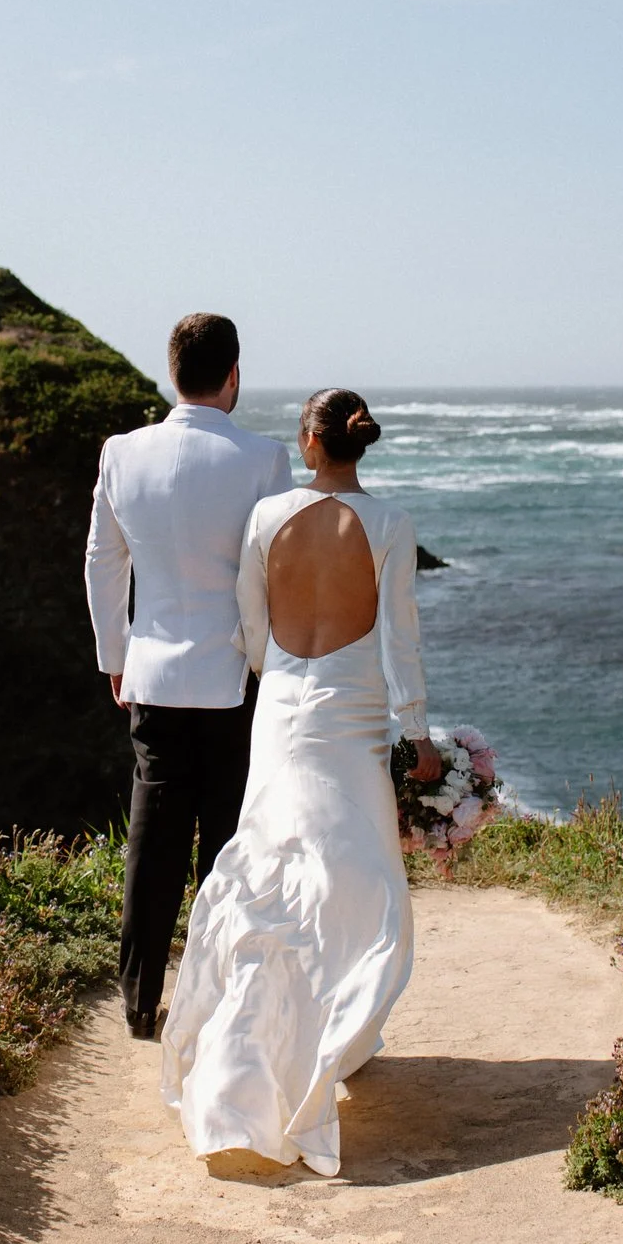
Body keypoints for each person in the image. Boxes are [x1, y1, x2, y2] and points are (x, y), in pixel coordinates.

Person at [159, 388, 442, 1177]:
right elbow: (401, 640)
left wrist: (283, 676)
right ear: (356, 444)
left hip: (281, 710)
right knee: (361, 878)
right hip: (352, 722)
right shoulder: (390, 525)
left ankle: (254, 1048)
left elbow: (250, 624)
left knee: (269, 868)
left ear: (309, 441)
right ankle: (337, 1031)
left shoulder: (264, 518)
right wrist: (416, 731)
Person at [85, 313, 295, 1041]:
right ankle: (216, 995)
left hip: (151, 675)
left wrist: (116, 655)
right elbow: (276, 575)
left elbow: (102, 562)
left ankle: (140, 999)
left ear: (172, 371)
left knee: (153, 837)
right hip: (235, 677)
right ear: (233, 374)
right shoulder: (265, 460)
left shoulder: (122, 453)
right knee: (226, 841)